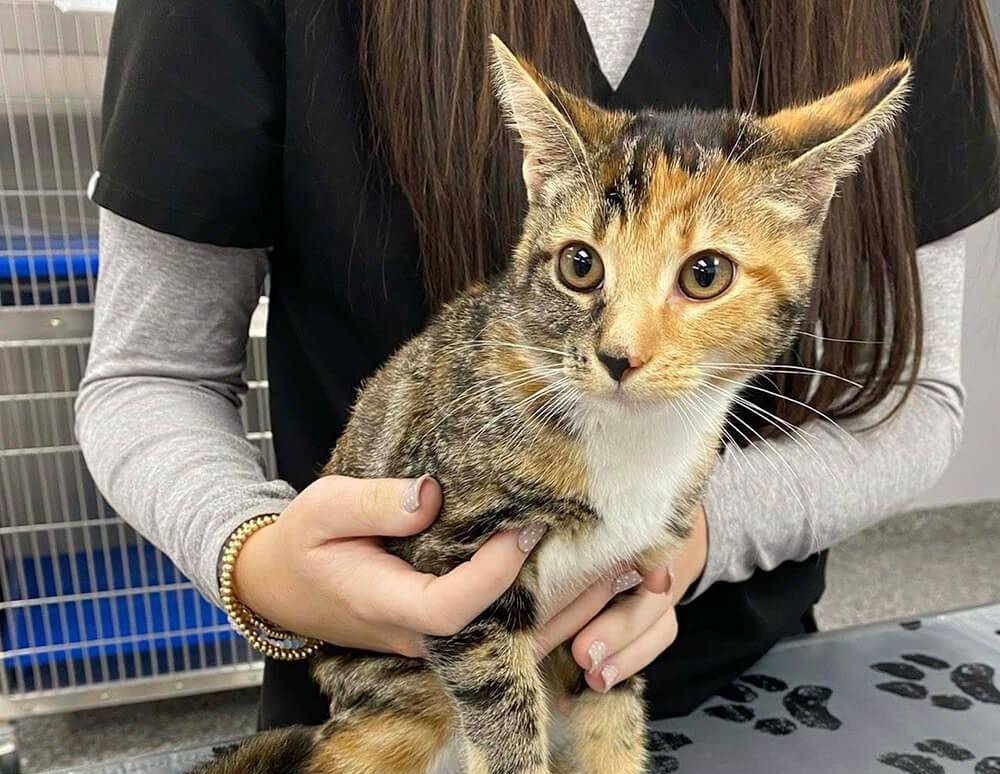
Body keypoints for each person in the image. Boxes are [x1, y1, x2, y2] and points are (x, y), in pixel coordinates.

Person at [77, 0, 1000, 729]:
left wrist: (687, 534)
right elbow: (146, 375)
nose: (627, 346)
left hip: (742, 699)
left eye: (704, 274)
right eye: (586, 267)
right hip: (387, 702)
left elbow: (917, 398)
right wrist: (260, 563)